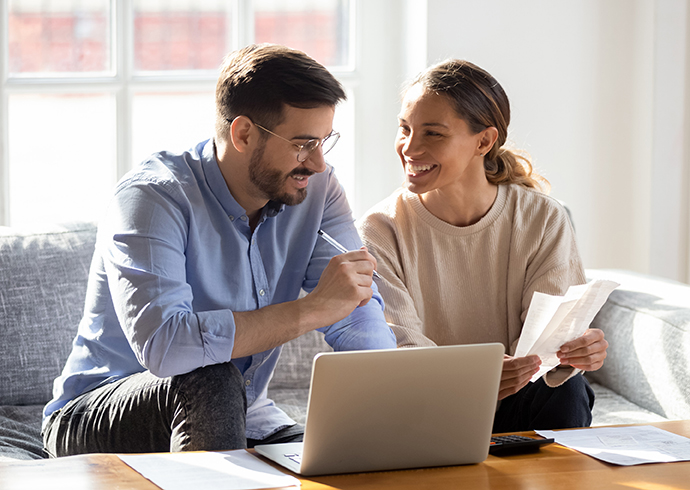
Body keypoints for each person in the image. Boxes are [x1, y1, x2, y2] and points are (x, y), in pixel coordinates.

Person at [42, 44, 396, 457]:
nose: (317, 163)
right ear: (243, 133)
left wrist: (391, 396)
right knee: (210, 377)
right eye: (303, 144)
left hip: (245, 414)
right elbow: (166, 346)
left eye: (324, 141)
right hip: (97, 412)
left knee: (352, 458)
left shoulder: (316, 189)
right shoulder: (153, 198)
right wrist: (311, 309)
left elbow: (355, 305)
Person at [357, 59, 608, 432]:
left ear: (484, 141)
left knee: (567, 392)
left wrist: (575, 352)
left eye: (433, 134)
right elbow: (399, 349)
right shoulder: (380, 230)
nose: (410, 147)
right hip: (427, 404)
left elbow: (546, 345)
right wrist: (477, 378)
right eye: (404, 128)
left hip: (518, 396)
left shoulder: (542, 218)